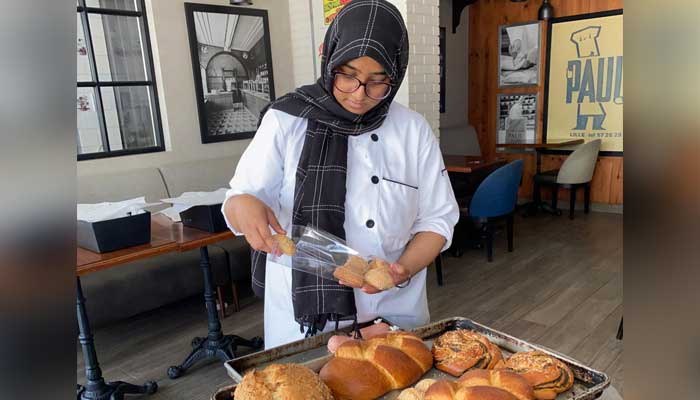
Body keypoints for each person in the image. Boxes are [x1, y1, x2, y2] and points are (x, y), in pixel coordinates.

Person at [222, 0, 459, 349]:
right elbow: (238, 199)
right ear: (330, 59)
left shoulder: (413, 130)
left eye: (378, 82)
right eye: (347, 75)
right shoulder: (287, 119)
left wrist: (402, 269)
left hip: (392, 310)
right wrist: (243, 205)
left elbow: (438, 220)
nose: (360, 95)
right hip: (304, 318)